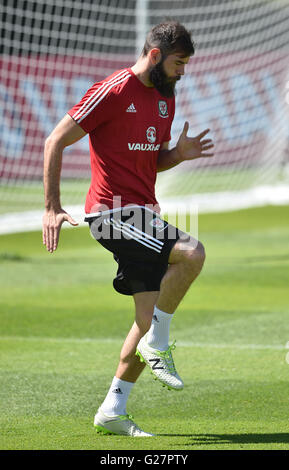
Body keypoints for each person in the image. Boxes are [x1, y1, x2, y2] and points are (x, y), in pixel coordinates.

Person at [42, 20, 214, 437]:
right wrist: (51, 208)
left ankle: (112, 410)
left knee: (145, 322)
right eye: (179, 62)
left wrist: (177, 154)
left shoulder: (164, 100)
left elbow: (149, 161)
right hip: (111, 214)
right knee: (192, 252)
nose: (183, 71)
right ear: (155, 55)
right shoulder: (114, 90)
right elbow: (55, 141)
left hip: (142, 214)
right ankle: (160, 344)